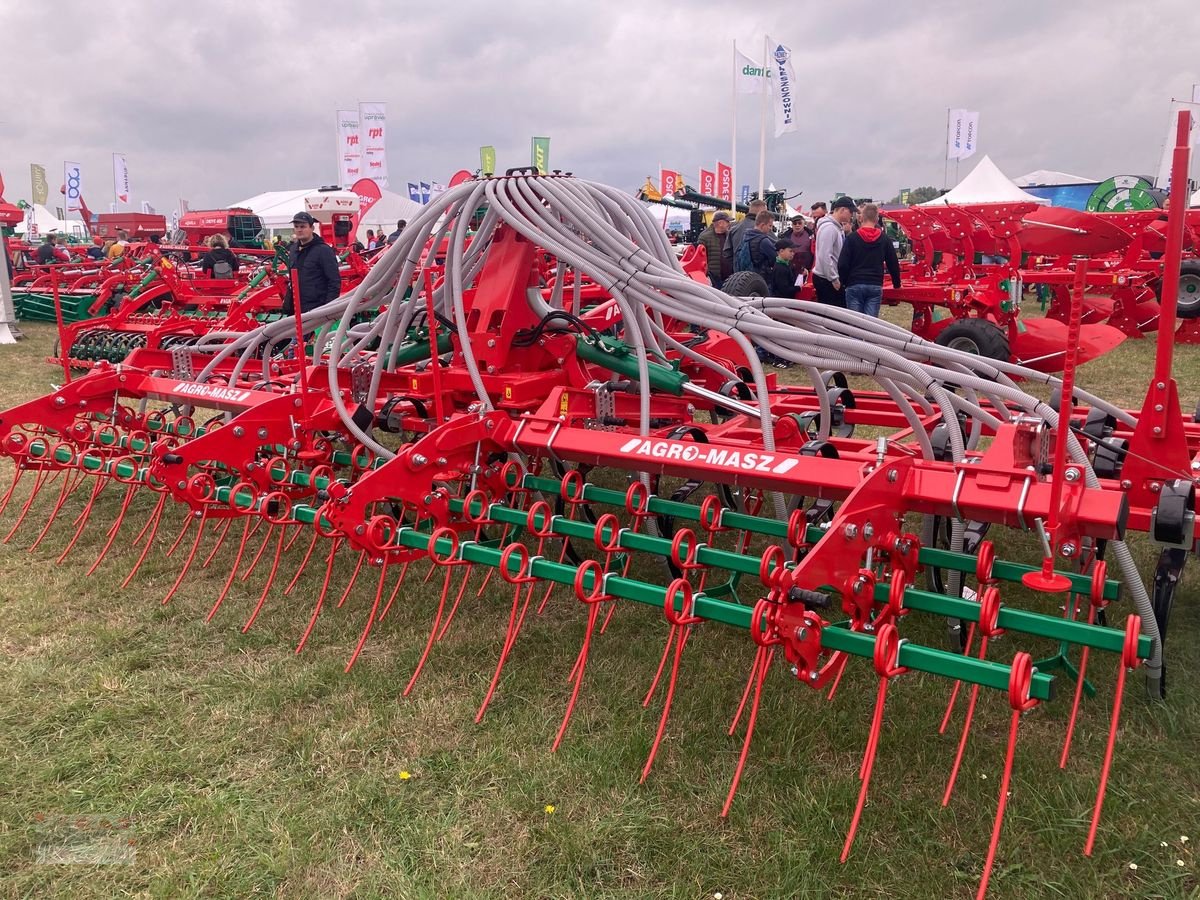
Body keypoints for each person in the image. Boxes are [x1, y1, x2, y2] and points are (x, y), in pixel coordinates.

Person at [837, 203, 901, 318]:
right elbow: (893, 263)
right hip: (874, 284)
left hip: (854, 284)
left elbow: (842, 264)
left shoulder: (852, 238)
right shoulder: (884, 239)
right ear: (877, 219)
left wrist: (844, 282)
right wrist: (897, 284)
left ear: (861, 218)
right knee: (870, 325)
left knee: (855, 324)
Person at [281, 211, 341, 316]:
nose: (299, 230)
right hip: (296, 309)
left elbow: (334, 281)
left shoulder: (323, 251)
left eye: (303, 226)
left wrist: (328, 309)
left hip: (316, 309)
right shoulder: (294, 249)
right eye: (296, 226)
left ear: (312, 228)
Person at [812, 196, 855, 307]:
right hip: (826, 279)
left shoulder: (834, 228)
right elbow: (825, 255)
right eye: (851, 211)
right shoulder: (830, 228)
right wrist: (834, 278)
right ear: (842, 210)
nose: (852, 215)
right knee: (833, 315)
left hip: (826, 277)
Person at [696, 210, 734, 289]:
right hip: (714, 279)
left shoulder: (729, 235)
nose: (729, 224)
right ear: (720, 223)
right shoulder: (705, 237)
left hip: (729, 278)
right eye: (727, 222)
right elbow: (699, 259)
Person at [736, 210, 777, 280]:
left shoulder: (745, 237)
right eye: (770, 226)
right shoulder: (764, 241)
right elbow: (775, 259)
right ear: (762, 225)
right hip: (760, 279)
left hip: (744, 278)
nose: (770, 229)